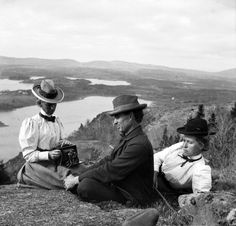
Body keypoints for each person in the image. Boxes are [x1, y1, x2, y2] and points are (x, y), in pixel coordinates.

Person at [64, 95, 154, 206]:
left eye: (117, 117)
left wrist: (77, 179)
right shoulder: (129, 137)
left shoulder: (139, 144)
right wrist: (81, 174)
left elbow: (112, 169)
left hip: (131, 195)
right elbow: (108, 160)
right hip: (119, 187)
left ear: (130, 116)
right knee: (82, 176)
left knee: (85, 186)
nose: (114, 122)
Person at [17, 79, 74, 189]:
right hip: (38, 165)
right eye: (48, 105)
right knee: (64, 179)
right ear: (40, 103)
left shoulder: (56, 120)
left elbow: (57, 142)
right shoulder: (32, 123)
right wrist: (47, 155)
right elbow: (28, 155)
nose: (52, 108)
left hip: (56, 162)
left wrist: (63, 143)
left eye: (54, 105)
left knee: (79, 170)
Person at [153, 117, 214, 195]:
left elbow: (201, 195)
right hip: (155, 173)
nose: (184, 145)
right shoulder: (179, 146)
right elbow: (157, 157)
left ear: (201, 145)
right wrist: (154, 172)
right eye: (184, 140)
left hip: (167, 189)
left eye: (190, 142)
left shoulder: (201, 168)